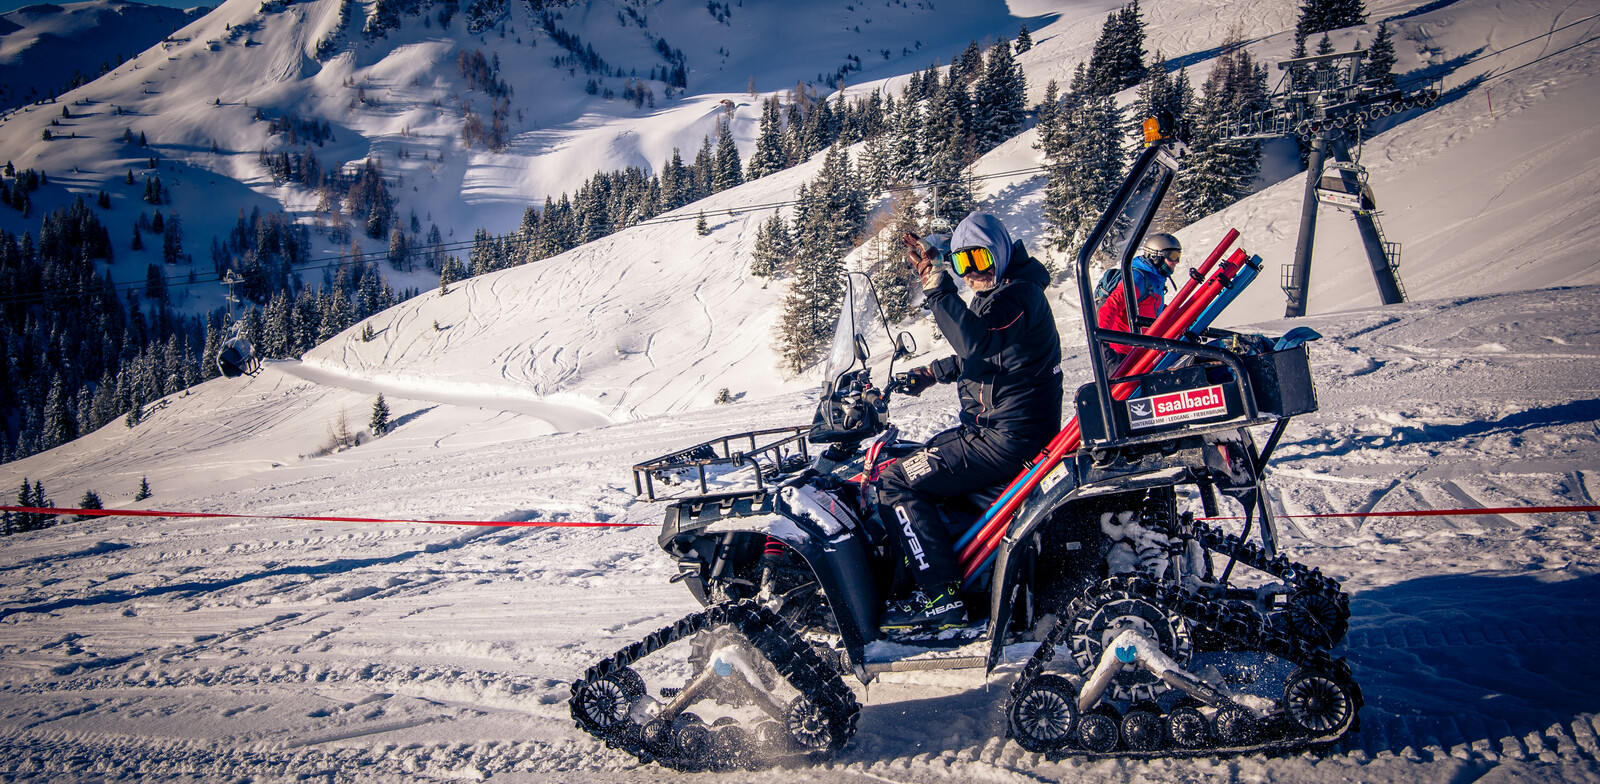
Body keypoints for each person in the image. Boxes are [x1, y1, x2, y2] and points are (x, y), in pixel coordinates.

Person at [878, 212, 1063, 631]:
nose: (972, 273)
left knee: (894, 481)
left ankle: (939, 596)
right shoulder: (1006, 293)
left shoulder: (1020, 295)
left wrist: (938, 286)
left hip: (1007, 437)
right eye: (962, 264)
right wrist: (933, 373)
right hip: (995, 429)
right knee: (914, 456)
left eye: (979, 259)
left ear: (998, 252)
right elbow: (987, 352)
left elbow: (978, 341)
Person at [1095, 232, 1181, 374]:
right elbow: (1108, 308)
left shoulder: (1155, 279)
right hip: (1122, 356)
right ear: (1156, 255)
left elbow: (1150, 308)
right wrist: (1103, 348)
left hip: (1139, 353)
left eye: (1178, 256)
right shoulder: (1138, 278)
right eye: (1172, 256)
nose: (1176, 261)